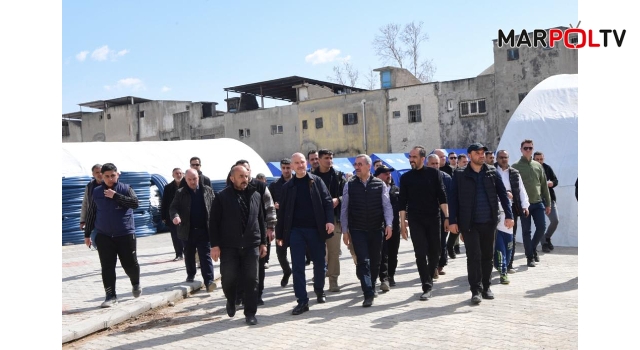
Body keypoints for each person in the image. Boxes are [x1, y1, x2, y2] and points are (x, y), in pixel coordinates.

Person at [448, 143, 514, 304]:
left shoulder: (492, 172)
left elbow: (503, 195)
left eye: (482, 153)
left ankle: (486, 287)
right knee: (473, 256)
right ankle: (475, 290)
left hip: (489, 221)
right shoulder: (460, 174)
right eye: (477, 153)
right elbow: (453, 199)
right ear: (469, 155)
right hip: (469, 223)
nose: (481, 155)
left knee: (487, 256)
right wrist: (452, 221)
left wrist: (509, 215)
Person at [275, 153, 335, 315]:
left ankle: (319, 290)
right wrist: (280, 235)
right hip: (296, 232)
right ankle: (302, 301)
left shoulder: (316, 181)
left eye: (302, 162)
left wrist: (329, 221)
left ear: (306, 163)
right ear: (292, 166)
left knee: (320, 264)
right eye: (296, 163)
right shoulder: (287, 187)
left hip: (316, 230)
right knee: (298, 267)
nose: (300, 165)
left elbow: (328, 202)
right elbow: (282, 213)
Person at [210, 165, 267, 326]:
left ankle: (250, 313)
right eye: (241, 176)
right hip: (229, 246)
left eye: (247, 176)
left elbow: (261, 220)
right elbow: (213, 223)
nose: (245, 180)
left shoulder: (256, 195)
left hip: (251, 245)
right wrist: (215, 245)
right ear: (232, 178)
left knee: (252, 279)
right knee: (229, 278)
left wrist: (263, 242)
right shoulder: (222, 197)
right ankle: (231, 299)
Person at [83, 163, 141, 307]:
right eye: (106, 176)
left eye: (112, 176)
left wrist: (116, 196)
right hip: (104, 235)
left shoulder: (126, 189)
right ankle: (110, 295)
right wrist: (87, 234)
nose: (110, 179)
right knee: (107, 266)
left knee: (130, 264)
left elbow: (135, 203)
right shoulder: (96, 191)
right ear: (101, 176)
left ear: (118, 175)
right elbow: (91, 213)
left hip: (125, 233)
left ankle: (135, 282)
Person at [341, 155, 393, 307]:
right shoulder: (349, 185)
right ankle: (368, 293)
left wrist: (389, 224)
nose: (356, 167)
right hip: (357, 229)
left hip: (377, 228)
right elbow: (344, 209)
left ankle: (373, 282)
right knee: (363, 261)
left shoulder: (380, 184)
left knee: (375, 261)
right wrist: (345, 230)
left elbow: (387, 206)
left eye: (359, 164)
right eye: (355, 164)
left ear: (368, 166)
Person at [399, 146, 449, 301]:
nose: (411, 159)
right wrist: (402, 224)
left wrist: (447, 217)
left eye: (414, 157)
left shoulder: (434, 174)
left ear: (422, 158)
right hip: (416, 220)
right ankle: (426, 286)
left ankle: (429, 273)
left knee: (436, 251)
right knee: (420, 253)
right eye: (410, 156)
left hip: (434, 219)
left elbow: (442, 196)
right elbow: (402, 203)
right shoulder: (406, 177)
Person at [234, 160, 276, 306]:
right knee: (239, 267)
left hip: (260, 233)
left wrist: (271, 228)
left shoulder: (260, 186)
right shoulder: (232, 188)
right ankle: (239, 295)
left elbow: (270, 208)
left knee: (259, 266)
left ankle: (257, 294)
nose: (244, 175)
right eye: (241, 172)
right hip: (238, 237)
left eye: (247, 170)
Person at [169, 169, 216, 293]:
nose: (192, 182)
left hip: (204, 230)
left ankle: (209, 281)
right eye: (189, 179)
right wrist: (175, 216)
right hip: (187, 230)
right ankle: (191, 274)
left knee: (205, 256)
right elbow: (173, 208)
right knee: (189, 254)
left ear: (198, 178)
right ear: (185, 179)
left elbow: (215, 207)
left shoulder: (207, 191)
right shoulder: (181, 192)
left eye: (194, 179)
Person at [312, 149, 348, 292]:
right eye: (326, 158)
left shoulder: (338, 176)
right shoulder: (311, 177)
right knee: (318, 252)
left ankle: (333, 280)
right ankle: (319, 280)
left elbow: (347, 194)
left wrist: (338, 200)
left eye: (331, 157)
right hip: (315, 219)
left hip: (334, 218)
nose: (329, 160)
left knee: (333, 251)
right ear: (319, 160)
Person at [511, 139, 551, 267]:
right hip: (524, 205)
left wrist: (548, 203)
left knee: (542, 227)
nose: (528, 150)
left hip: (538, 202)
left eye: (530, 148)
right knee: (526, 231)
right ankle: (530, 257)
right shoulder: (515, 166)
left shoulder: (538, 165)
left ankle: (532, 248)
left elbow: (544, 185)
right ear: (521, 149)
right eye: (526, 148)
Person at [495, 150, 529, 278]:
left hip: (511, 208)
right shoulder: (491, 171)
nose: (504, 159)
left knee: (511, 237)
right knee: (496, 236)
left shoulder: (514, 173)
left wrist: (525, 206)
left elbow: (521, 190)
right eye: (501, 157)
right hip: (494, 209)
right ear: (497, 158)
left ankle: (508, 264)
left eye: (506, 157)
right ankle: (497, 262)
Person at [268, 158, 294, 287]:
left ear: (292, 168)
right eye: (283, 168)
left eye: (288, 168)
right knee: (280, 252)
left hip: (296, 225)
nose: (286, 170)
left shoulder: (297, 182)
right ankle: (287, 271)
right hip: (281, 225)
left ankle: (298, 280)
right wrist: (274, 205)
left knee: (296, 252)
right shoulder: (274, 185)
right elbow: (268, 203)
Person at [374, 165, 401, 288]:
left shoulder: (396, 189)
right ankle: (383, 277)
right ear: (377, 176)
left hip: (394, 226)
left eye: (389, 173)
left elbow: (402, 206)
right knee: (381, 253)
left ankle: (391, 275)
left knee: (393, 252)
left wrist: (404, 220)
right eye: (385, 173)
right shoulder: (374, 188)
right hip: (379, 226)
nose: (388, 175)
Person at [426, 154, 453, 278]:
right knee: (429, 242)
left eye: (437, 164)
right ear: (427, 164)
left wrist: (449, 216)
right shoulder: (423, 178)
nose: (435, 166)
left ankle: (439, 265)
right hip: (428, 215)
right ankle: (432, 265)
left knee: (441, 242)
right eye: (433, 164)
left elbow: (451, 198)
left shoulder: (446, 178)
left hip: (443, 216)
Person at [533, 151, 559, 253]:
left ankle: (547, 237)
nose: (539, 161)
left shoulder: (547, 168)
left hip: (549, 199)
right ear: (534, 159)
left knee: (555, 220)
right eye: (537, 159)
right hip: (536, 200)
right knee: (541, 223)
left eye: (541, 159)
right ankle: (544, 244)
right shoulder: (531, 168)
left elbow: (555, 180)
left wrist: (552, 183)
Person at [161, 168, 185, 261]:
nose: (178, 175)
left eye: (180, 173)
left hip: (185, 214)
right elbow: (165, 202)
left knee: (186, 235)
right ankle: (179, 254)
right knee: (175, 236)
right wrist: (163, 216)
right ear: (173, 175)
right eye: (176, 173)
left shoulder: (187, 184)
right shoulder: (168, 187)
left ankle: (188, 252)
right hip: (173, 214)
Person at [80, 163, 103, 250]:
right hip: (93, 221)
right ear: (93, 174)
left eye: (101, 172)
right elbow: (85, 203)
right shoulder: (90, 186)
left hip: (106, 221)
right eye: (97, 172)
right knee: (96, 243)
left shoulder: (109, 185)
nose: (99, 174)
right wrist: (83, 220)